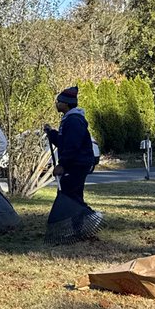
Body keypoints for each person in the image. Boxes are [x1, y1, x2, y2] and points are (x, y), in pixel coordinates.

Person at [45, 86, 98, 214]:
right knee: (70, 194)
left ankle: (90, 217)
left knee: (71, 195)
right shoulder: (68, 120)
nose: (56, 104)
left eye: (59, 101)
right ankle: (77, 223)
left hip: (77, 164)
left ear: (66, 104)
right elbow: (63, 142)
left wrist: (62, 165)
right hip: (75, 163)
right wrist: (51, 133)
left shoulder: (74, 121)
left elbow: (72, 146)